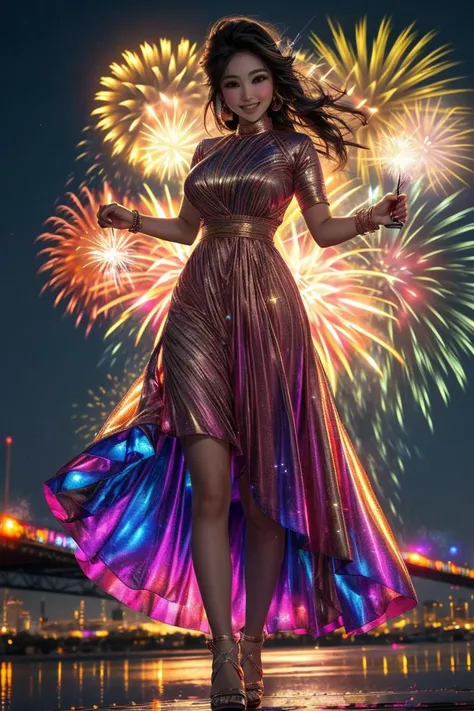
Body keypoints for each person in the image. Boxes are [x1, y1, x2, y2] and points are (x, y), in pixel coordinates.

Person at [44, 15, 417, 711]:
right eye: (232, 84)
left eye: (257, 80)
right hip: (195, 308)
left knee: (271, 495)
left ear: (273, 85)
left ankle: (253, 640)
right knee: (210, 485)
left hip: (269, 313)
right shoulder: (206, 149)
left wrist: (372, 218)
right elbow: (188, 230)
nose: (246, 94)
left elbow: (325, 230)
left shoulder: (295, 147)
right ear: (218, 93)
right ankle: (220, 648)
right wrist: (133, 220)